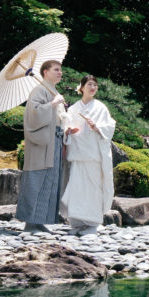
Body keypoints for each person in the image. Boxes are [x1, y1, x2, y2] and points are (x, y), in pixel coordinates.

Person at [16, 58, 67, 231]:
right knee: (38, 177)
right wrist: (53, 104)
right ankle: (31, 221)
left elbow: (60, 119)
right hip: (42, 143)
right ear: (45, 72)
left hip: (55, 141)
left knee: (51, 179)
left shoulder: (53, 91)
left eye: (60, 70)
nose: (60, 72)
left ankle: (41, 220)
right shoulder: (39, 90)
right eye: (56, 69)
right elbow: (33, 113)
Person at [61, 73, 116, 233]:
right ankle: (77, 222)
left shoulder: (100, 107)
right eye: (89, 84)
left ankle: (93, 222)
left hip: (93, 155)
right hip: (78, 155)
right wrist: (68, 131)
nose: (93, 87)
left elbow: (110, 126)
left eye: (95, 85)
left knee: (93, 188)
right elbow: (65, 126)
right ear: (82, 87)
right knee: (77, 188)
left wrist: (97, 127)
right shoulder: (73, 108)